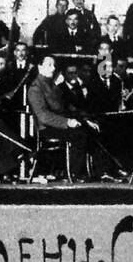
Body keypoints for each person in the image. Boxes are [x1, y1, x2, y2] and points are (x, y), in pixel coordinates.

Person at [26, 54, 94, 182]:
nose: (52, 69)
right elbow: (43, 116)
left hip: (59, 124)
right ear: (40, 67)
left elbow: (66, 106)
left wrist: (85, 119)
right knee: (79, 135)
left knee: (89, 130)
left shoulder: (52, 85)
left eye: (54, 65)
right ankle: (74, 173)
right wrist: (67, 122)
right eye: (49, 65)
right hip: (47, 128)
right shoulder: (35, 88)